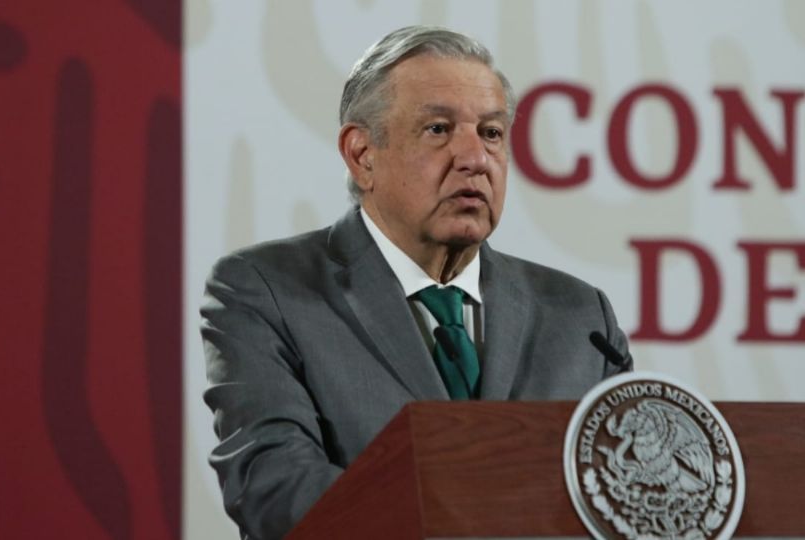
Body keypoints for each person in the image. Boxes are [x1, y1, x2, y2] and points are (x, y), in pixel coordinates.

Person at [200, 25, 633, 540]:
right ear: (363, 155)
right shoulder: (266, 291)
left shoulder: (581, 316)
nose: (474, 158)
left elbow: (624, 494)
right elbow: (276, 489)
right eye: (438, 129)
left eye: (491, 133)